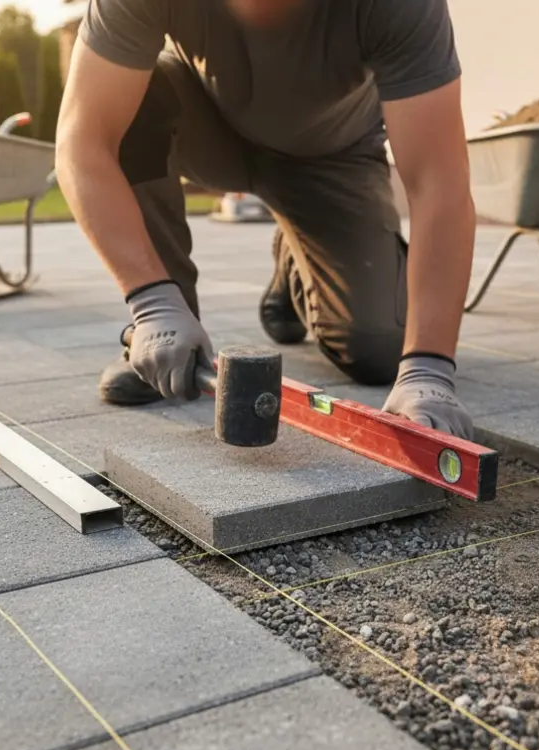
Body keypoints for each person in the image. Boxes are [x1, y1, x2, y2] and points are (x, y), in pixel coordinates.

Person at [55, 0, 478, 438]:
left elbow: (437, 182)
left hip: (330, 160)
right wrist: (151, 303)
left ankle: (296, 262)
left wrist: (429, 366)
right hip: (212, 130)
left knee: (376, 349)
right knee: (135, 98)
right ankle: (170, 329)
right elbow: (84, 141)